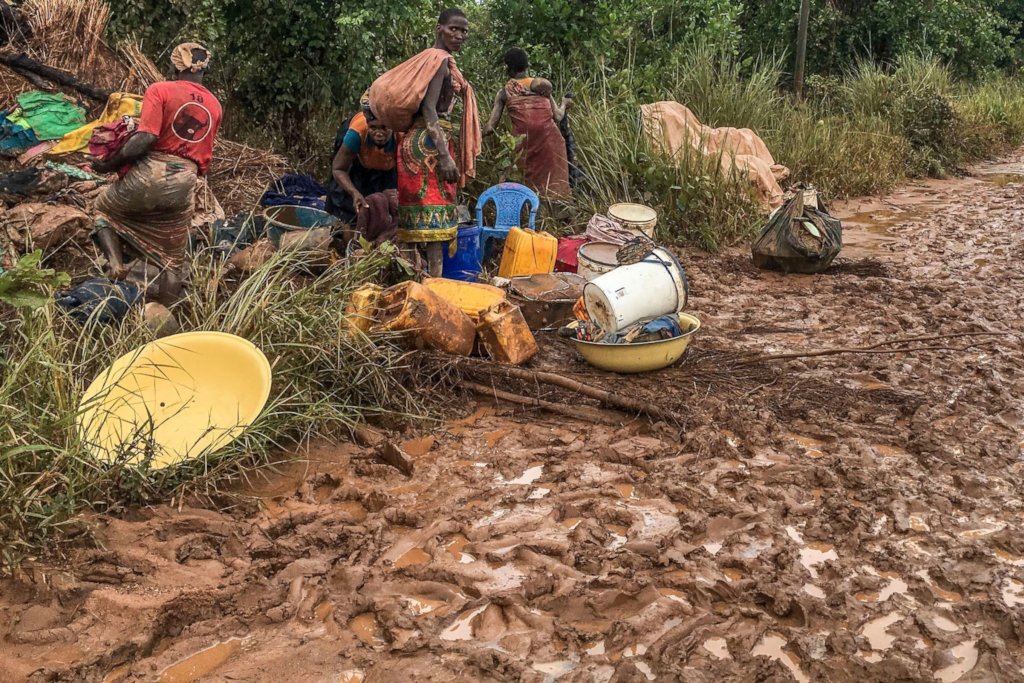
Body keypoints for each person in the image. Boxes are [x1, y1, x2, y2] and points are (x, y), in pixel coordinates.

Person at [91, 43, 222, 298]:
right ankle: (165, 318)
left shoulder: (160, 90)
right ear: (205, 70)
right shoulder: (215, 106)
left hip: (151, 172)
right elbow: (204, 158)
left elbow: (144, 139)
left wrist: (110, 165)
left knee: (104, 211)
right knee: (173, 260)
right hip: (185, 180)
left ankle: (116, 266)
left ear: (175, 65)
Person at [368, 8, 482, 276]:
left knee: (418, 220)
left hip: (417, 143)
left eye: (464, 31)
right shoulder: (439, 62)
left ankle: (417, 279)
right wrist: (444, 155)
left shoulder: (434, 61)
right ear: (438, 28)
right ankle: (433, 285)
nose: (459, 35)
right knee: (433, 226)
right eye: (454, 29)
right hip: (429, 145)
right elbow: (430, 109)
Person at [483, 47, 571, 198]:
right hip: (550, 143)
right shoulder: (541, 89)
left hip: (523, 146)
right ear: (527, 66)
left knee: (525, 186)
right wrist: (564, 103)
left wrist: (474, 136)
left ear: (507, 68)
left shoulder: (504, 93)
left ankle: (526, 216)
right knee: (554, 187)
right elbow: (558, 116)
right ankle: (556, 219)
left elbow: (490, 127)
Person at [325, 94, 397, 226]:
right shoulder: (355, 134)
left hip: (388, 166)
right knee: (347, 206)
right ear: (367, 124)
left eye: (384, 128)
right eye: (373, 128)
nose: (379, 133)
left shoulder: (402, 135)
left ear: (392, 125)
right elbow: (339, 168)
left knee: (389, 206)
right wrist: (354, 193)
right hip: (358, 161)